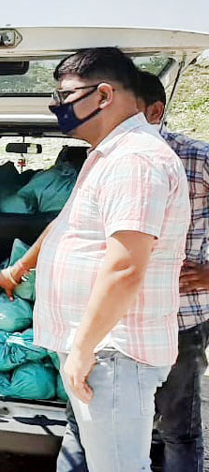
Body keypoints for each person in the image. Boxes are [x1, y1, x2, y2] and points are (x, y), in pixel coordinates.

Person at [0, 48, 190, 472]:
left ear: (104, 95)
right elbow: (67, 226)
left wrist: (83, 348)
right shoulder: (110, 155)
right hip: (103, 351)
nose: (56, 107)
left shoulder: (135, 160)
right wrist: (17, 271)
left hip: (113, 352)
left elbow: (125, 267)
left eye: (64, 96)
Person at [136, 71, 209, 472]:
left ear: (155, 112)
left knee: (178, 428)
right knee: (129, 421)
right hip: (121, 319)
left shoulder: (198, 157)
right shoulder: (105, 159)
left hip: (181, 318)